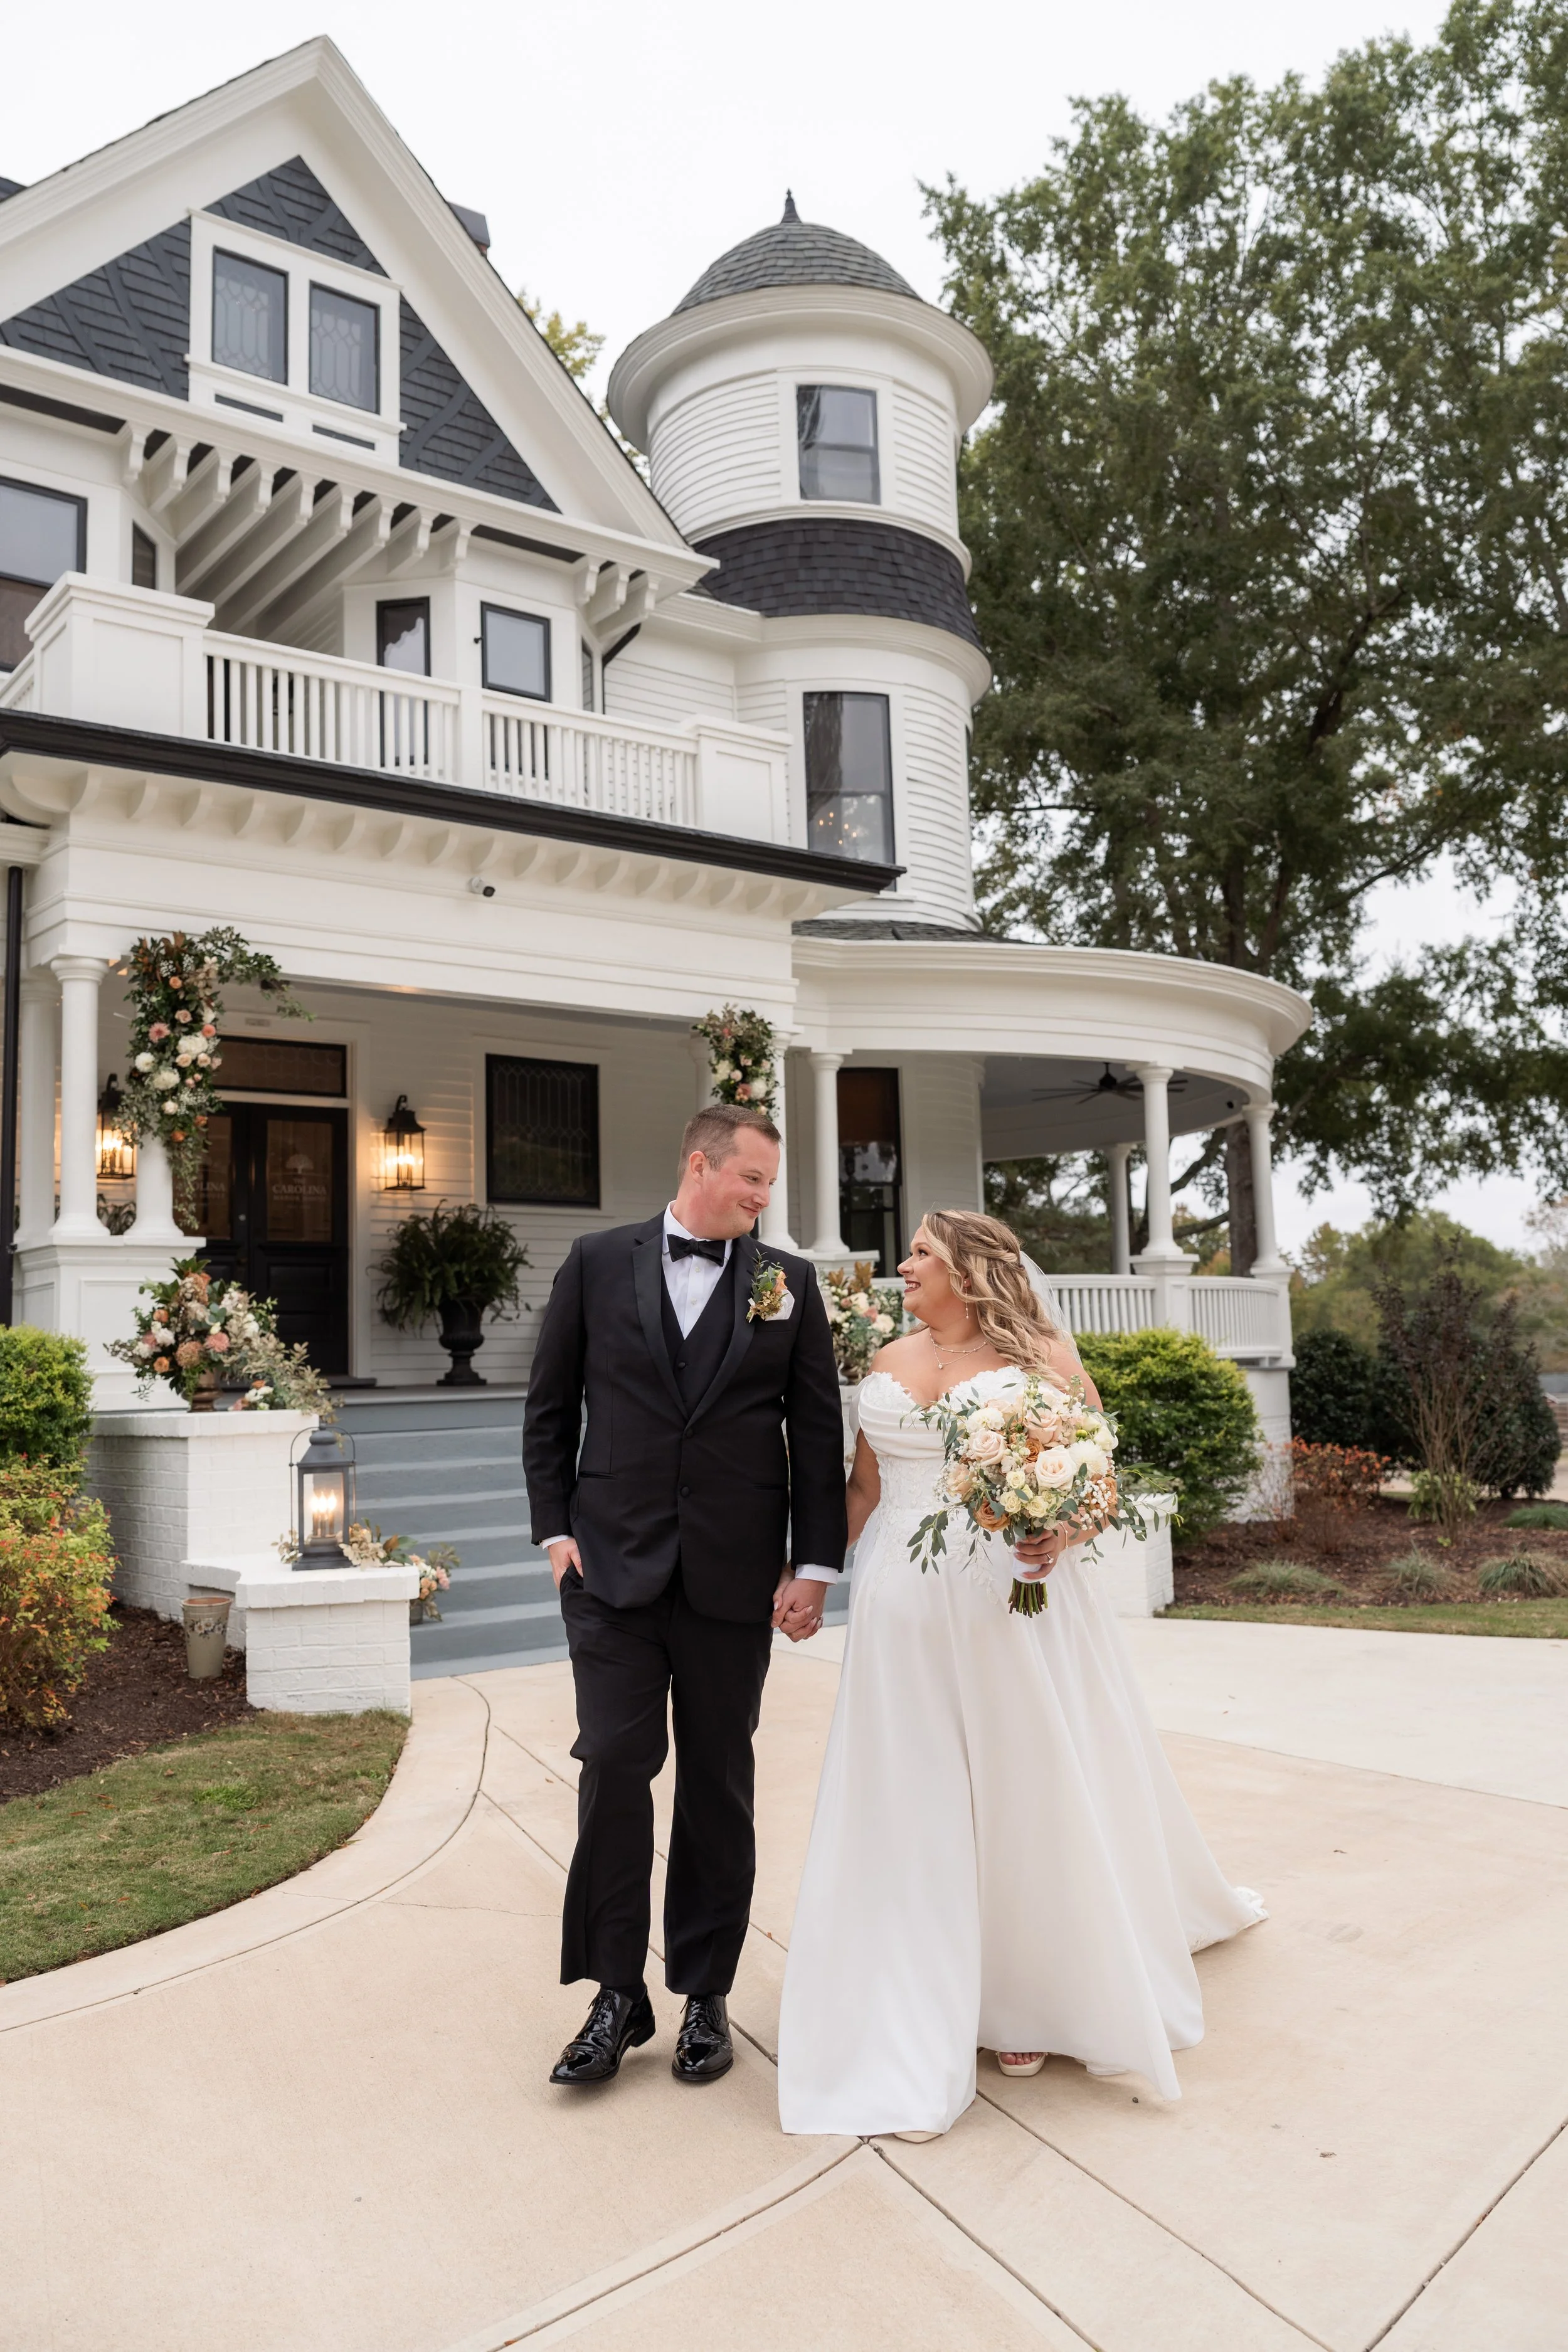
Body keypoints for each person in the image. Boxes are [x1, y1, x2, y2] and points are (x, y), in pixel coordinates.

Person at [777, 1209, 1264, 2141]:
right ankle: (912, 1977)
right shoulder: (885, 1360)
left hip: (1013, 1601)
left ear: (969, 1268)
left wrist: (1060, 1530)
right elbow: (866, 1492)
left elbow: (1100, 1480)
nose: (904, 1266)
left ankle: (1028, 1996)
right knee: (913, 1794)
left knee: (1020, 1787)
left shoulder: (1040, 1351)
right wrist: (810, 1577)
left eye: (921, 1252)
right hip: (899, 1615)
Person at [524, 1103, 847, 2090]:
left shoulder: (787, 1284)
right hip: (610, 1572)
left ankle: (706, 1993)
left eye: (769, 1186)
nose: (761, 1198)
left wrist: (814, 1566)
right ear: (699, 1164)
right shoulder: (594, 1261)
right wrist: (556, 1530)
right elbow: (550, 1404)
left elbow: (817, 1433)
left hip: (731, 1574)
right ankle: (617, 1996)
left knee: (718, 1780)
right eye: (751, 1179)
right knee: (615, 1766)